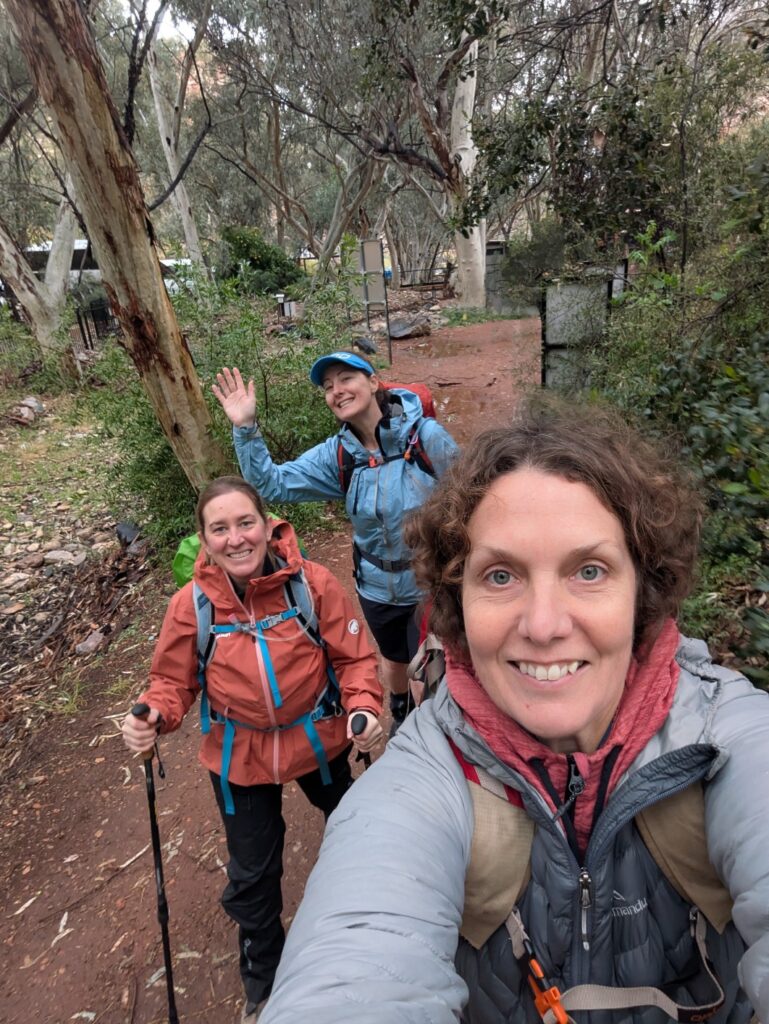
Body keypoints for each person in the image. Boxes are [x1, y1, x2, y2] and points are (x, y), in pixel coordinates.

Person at [255, 397, 769, 1024]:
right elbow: (358, 957)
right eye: (500, 576)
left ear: (645, 588)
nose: (545, 625)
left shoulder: (730, 738)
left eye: (588, 570)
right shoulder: (423, 778)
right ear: (456, 599)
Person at [121, 476, 382, 1022]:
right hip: (239, 757)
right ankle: (264, 982)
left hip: (318, 740)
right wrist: (152, 716)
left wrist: (363, 707)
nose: (236, 538)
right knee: (254, 873)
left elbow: (354, 657)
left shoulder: (310, 584)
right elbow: (171, 681)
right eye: (220, 528)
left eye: (245, 523)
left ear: (267, 525)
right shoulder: (192, 606)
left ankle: (371, 932)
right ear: (204, 538)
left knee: (356, 834)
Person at [213, 354, 458, 734]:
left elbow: (467, 497)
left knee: (430, 664)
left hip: (428, 581)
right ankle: (398, 709)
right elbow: (271, 484)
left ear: (374, 382)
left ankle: (429, 732)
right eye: (328, 387)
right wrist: (245, 428)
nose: (337, 390)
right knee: (393, 659)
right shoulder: (339, 455)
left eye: (346, 379)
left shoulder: (425, 438)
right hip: (376, 585)